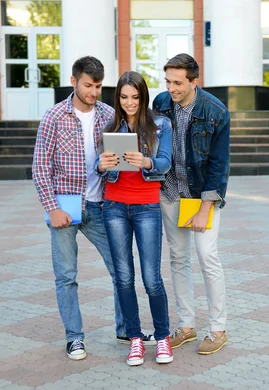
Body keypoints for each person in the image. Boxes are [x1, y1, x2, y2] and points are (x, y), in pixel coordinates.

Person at [32, 56, 153, 361]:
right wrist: (52, 207)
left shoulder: (109, 115)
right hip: (65, 203)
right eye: (88, 85)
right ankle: (74, 338)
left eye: (99, 86)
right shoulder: (54, 117)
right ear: (74, 81)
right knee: (66, 276)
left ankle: (126, 328)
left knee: (120, 270)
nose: (94, 92)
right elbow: (40, 167)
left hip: (100, 205)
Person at [152, 53, 231, 355]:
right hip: (170, 192)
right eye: (168, 81)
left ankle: (218, 329)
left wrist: (204, 207)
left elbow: (220, 165)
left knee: (207, 256)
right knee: (177, 258)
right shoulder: (160, 103)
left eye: (178, 83)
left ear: (194, 82)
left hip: (200, 196)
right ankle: (186, 326)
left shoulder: (215, 111)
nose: (171, 88)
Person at [96, 71, 173, 366]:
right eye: (124, 97)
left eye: (135, 97)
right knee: (124, 278)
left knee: (152, 278)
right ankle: (135, 339)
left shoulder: (159, 125)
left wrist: (147, 161)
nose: (129, 103)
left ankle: (162, 337)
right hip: (114, 206)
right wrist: (101, 165)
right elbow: (100, 166)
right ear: (118, 98)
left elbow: (165, 162)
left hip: (146, 207)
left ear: (143, 97)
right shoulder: (110, 126)